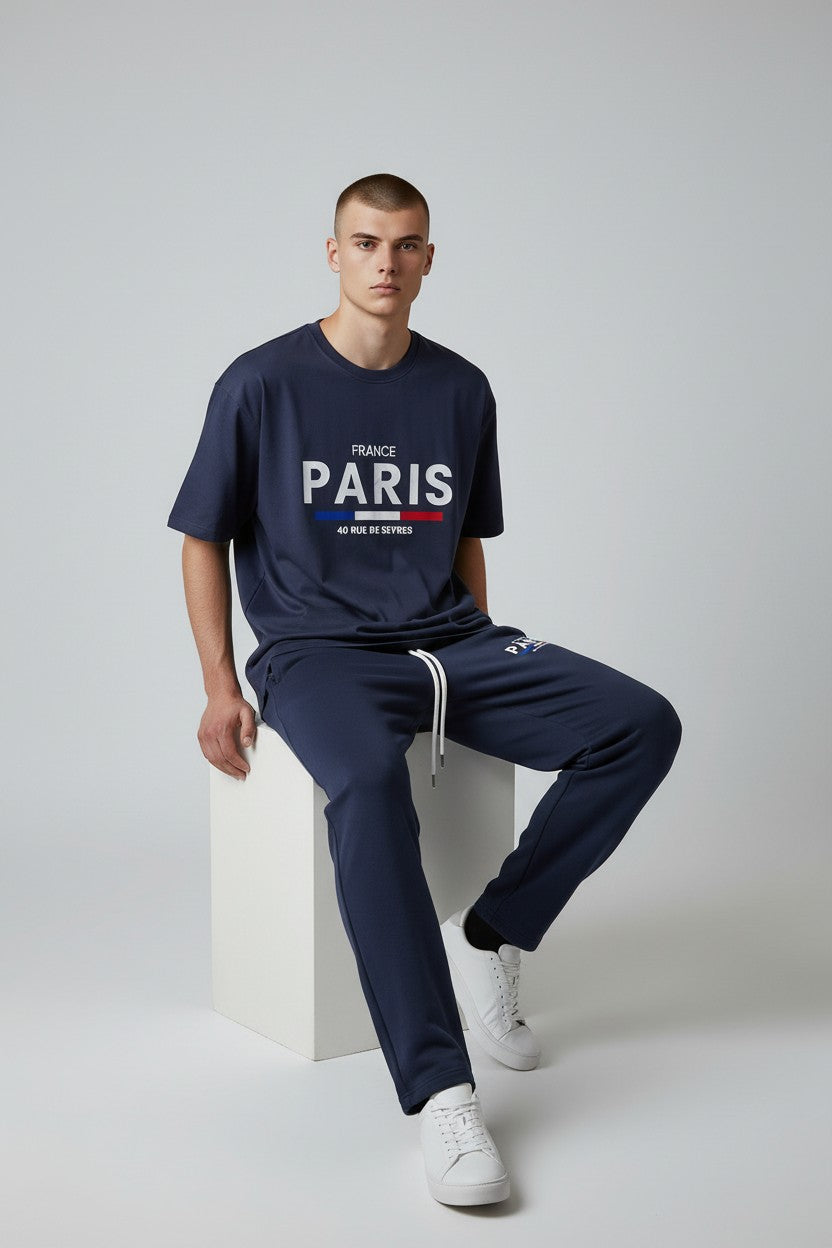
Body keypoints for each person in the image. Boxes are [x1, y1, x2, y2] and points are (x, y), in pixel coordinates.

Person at [167, 172, 683, 1207]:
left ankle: (490, 932)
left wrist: (486, 649)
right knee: (364, 780)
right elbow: (201, 537)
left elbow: (466, 540)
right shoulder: (259, 382)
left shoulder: (460, 386)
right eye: (365, 244)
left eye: (405, 247)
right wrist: (220, 684)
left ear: (429, 259)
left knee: (640, 722)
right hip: (317, 654)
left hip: (452, 643)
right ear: (332, 253)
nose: (386, 265)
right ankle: (441, 1094)